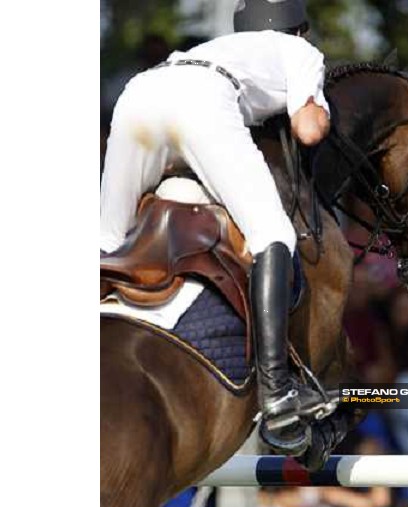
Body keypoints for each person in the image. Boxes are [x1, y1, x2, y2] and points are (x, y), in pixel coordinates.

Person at [100, 0, 331, 434]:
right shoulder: (299, 51)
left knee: (106, 239)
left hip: (138, 95)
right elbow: (308, 130)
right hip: (202, 103)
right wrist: (322, 106)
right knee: (273, 234)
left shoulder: (219, 46)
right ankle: (277, 390)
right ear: (299, 29)